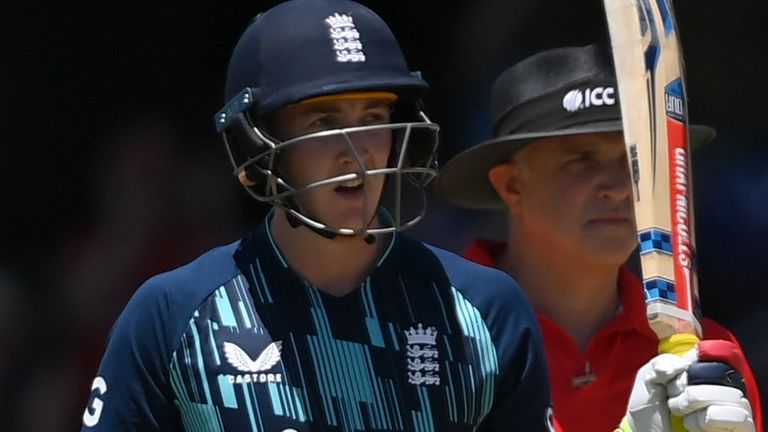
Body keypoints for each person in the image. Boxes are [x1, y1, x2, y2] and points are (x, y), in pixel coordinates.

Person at [79, 1, 555, 430]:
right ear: (258, 146)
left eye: (373, 118)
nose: (357, 153)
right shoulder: (172, 314)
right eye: (323, 123)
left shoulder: (486, 310)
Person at [435, 43, 762, 432]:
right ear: (512, 186)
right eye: (582, 160)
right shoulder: (434, 329)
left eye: (635, 161)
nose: (620, 187)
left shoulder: (701, 352)